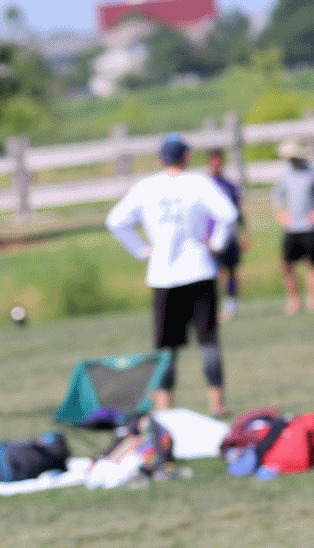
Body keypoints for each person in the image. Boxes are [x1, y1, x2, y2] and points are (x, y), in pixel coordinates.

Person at [107, 133, 237, 418]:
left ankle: (165, 408)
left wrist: (142, 250)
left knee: (165, 347)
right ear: (186, 157)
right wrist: (216, 243)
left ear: (160, 159)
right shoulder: (199, 183)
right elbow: (228, 214)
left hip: (163, 275)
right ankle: (217, 404)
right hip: (200, 270)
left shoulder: (146, 187)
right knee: (208, 340)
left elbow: (115, 221)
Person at [271, 139, 314, 316]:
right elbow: (276, 195)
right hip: (292, 228)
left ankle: (313, 301)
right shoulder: (286, 175)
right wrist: (280, 212)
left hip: (310, 226)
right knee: (287, 265)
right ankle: (294, 301)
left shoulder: (313, 172)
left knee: (313, 264)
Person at [205, 148, 248, 320]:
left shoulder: (230, 186)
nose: (216, 163)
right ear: (209, 162)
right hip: (210, 237)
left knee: (231, 271)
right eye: (213, 160)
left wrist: (244, 233)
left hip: (229, 236)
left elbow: (238, 212)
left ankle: (231, 306)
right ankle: (211, 308)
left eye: (219, 160)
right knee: (213, 273)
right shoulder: (204, 185)